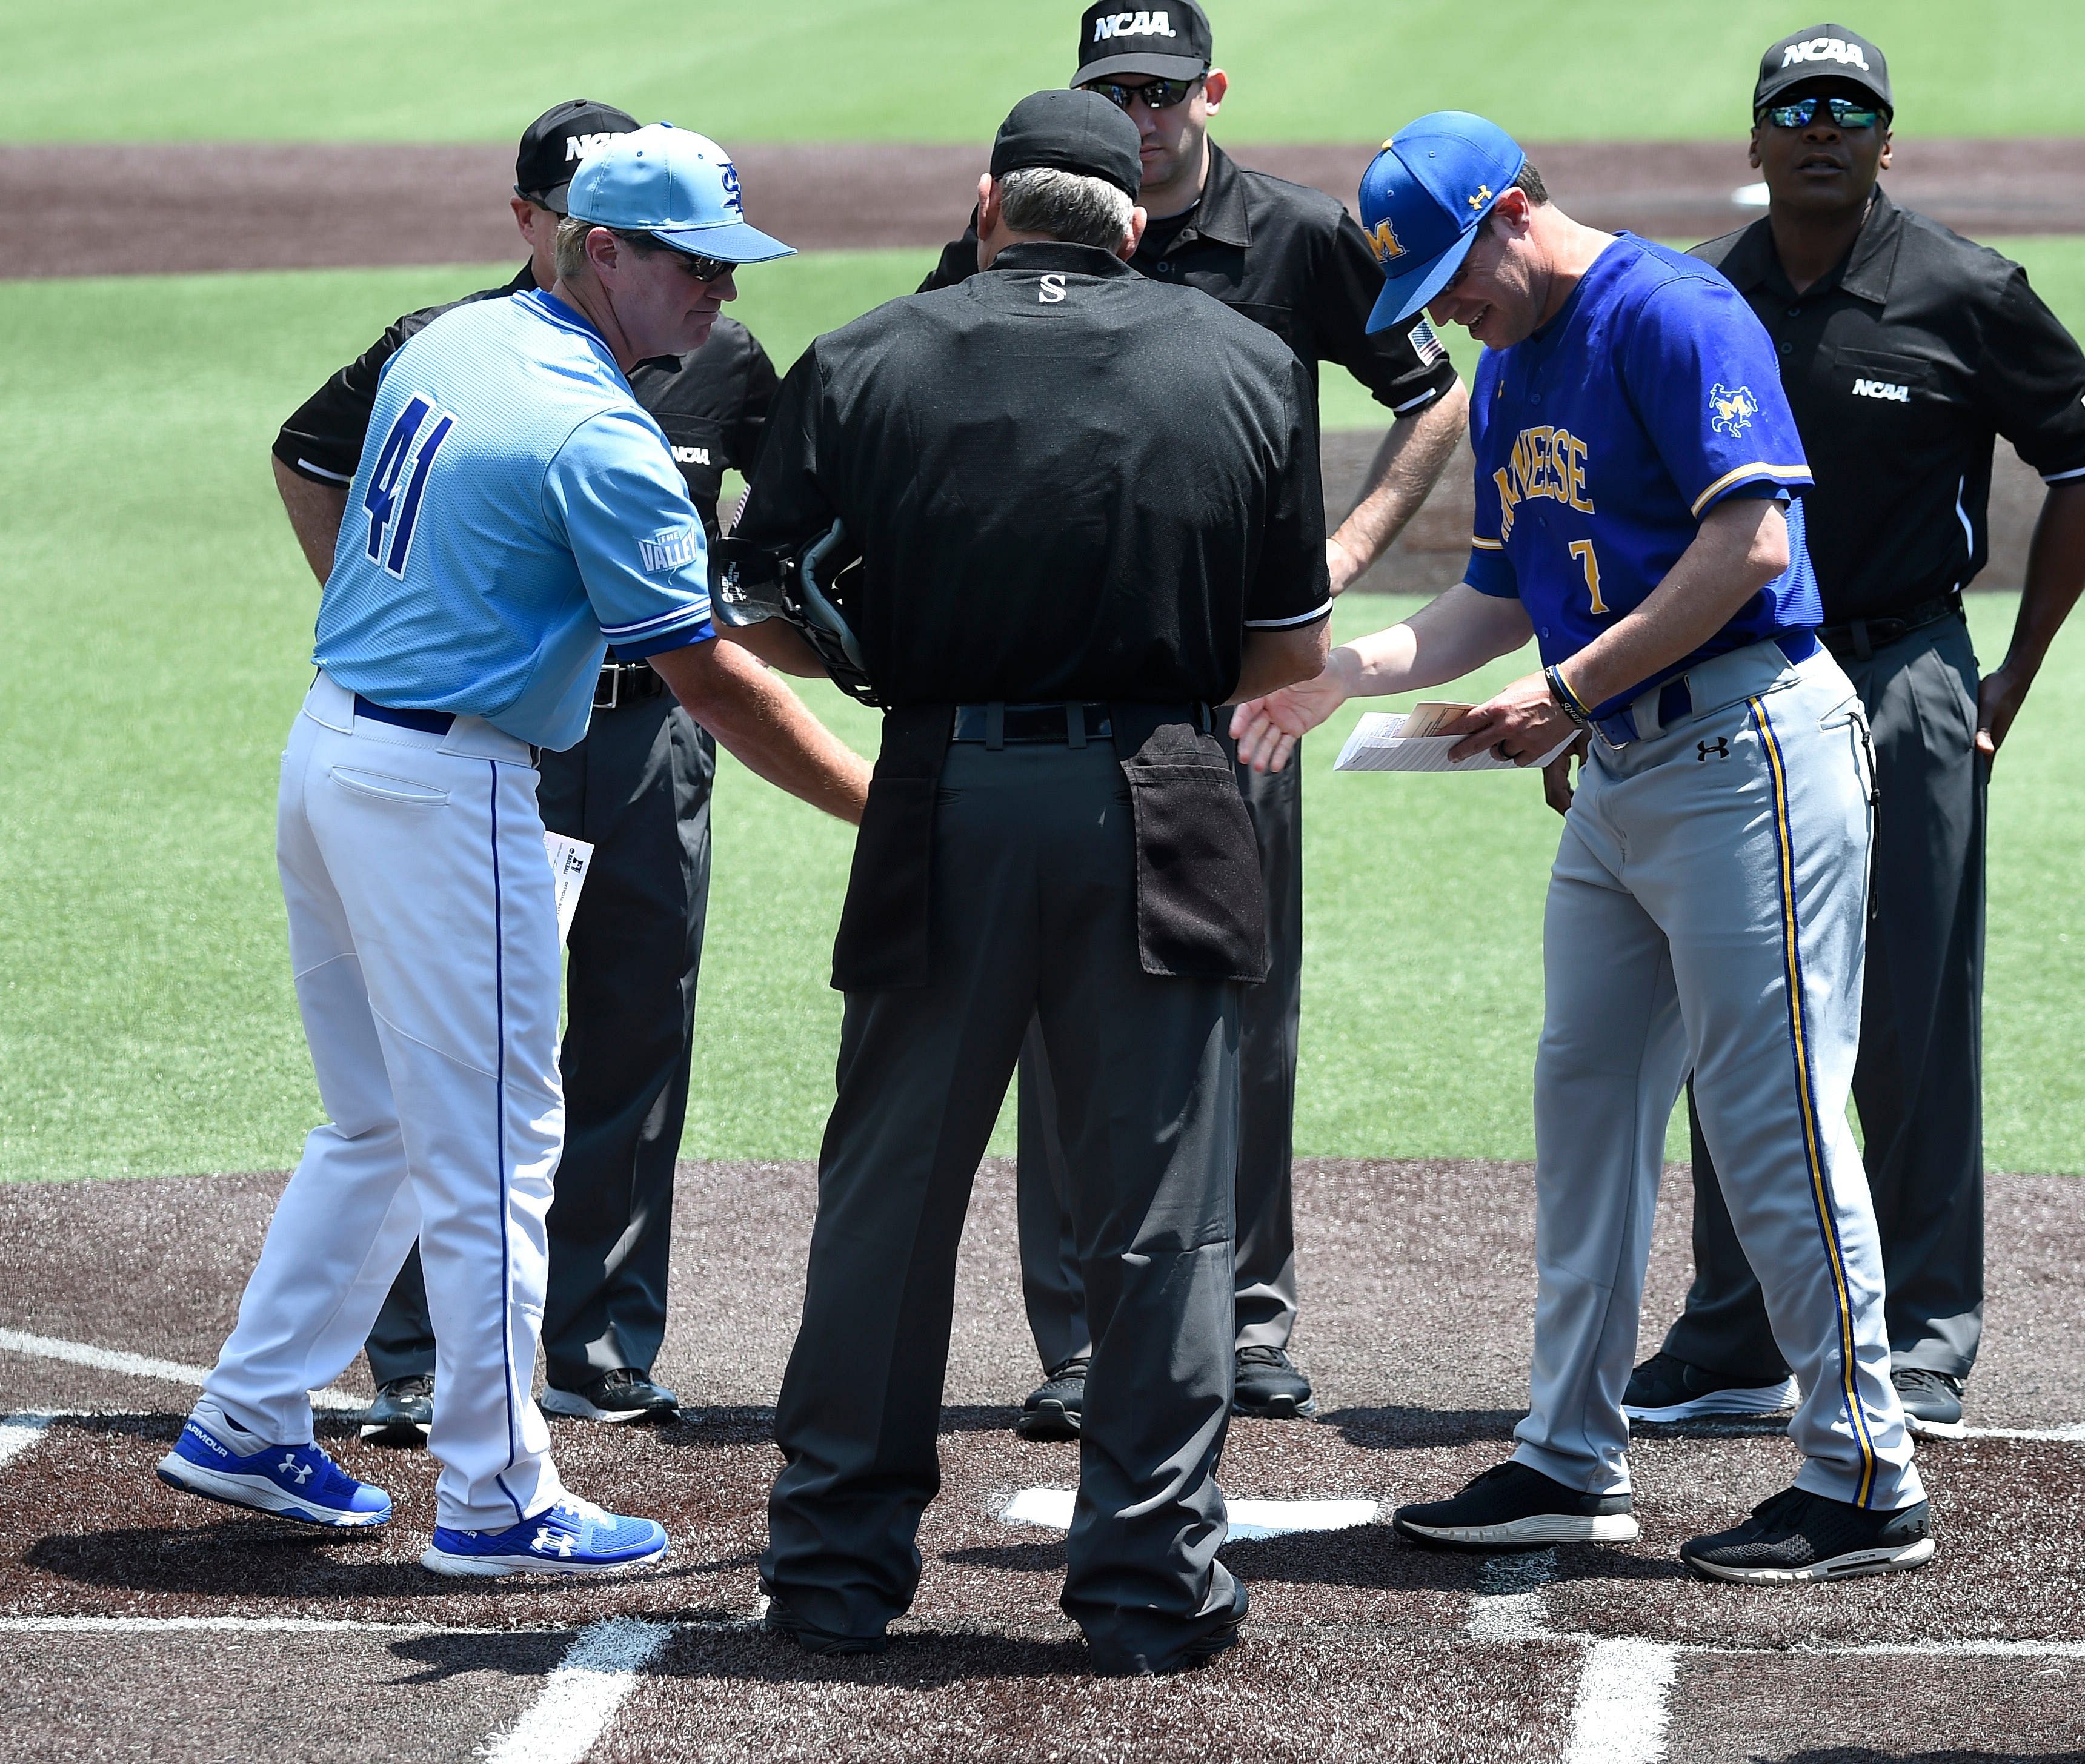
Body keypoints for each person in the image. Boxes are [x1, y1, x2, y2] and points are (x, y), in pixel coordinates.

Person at [156, 125, 870, 1576]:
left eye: (730, 268)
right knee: (493, 1153)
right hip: (446, 789)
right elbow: (712, 679)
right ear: (600, 248)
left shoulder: (465, 335)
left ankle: (247, 1415)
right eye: (692, 265)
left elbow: (337, 483)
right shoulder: (597, 433)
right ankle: (496, 1494)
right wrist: (882, 803)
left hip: (335, 753)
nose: (719, 299)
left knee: (375, 1123)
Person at [1234, 111, 1933, 1582]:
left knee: (1772, 1115)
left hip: (1746, 750)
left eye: (1448, 276)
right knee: (1585, 1102)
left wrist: (1566, 688)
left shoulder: (1671, 312)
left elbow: (1745, 547)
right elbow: (1496, 595)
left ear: (1509, 215)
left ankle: (1863, 1469)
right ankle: (1567, 1452)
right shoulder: (1508, 369)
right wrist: (1351, 671)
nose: (1443, 311)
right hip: (1619, 770)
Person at [734, 90, 1331, 1669]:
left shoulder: (869, 355)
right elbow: (1288, 653)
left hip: (942, 787)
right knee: (1159, 1216)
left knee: (890, 1193)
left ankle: (833, 1574)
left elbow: (756, 601)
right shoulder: (1248, 363)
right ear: (1133, 216)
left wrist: (890, 653)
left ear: (986, 201)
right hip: (1174, 791)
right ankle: (1146, 1584)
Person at [920, 0, 1467, 1436]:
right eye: (1120, 89)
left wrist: (1342, 562)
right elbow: (930, 370)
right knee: (1062, 1016)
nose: (1146, 114)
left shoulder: (1292, 235)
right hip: (1057, 672)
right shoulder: (1026, 227)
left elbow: (1427, 395)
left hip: (1238, 683)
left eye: (1165, 89)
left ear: (1210, 88)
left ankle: (1248, 1314)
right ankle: (1086, 1336)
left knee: (1240, 1001)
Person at [273, 99, 783, 1443]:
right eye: (692, 258)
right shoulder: (470, 352)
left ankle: (590, 1340)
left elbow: (773, 539)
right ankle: (449, 1409)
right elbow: (307, 456)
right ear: (560, 233)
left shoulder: (701, 360)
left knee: (621, 1028)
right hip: (481, 750)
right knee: (462, 1092)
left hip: (610, 740)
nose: (717, 290)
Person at [1621, 24, 2085, 1441]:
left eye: (1850, 110)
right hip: (1730, 685)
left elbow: (2074, 458)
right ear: (1751, 139)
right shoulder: (1691, 296)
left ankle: (1928, 1332)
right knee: (1736, 1002)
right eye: (1793, 107)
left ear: (1887, 140)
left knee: (1913, 1016)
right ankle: (1733, 1330)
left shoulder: (1963, 289)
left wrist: (2004, 676)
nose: (1821, 127)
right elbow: (1638, 509)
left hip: (1904, 680)